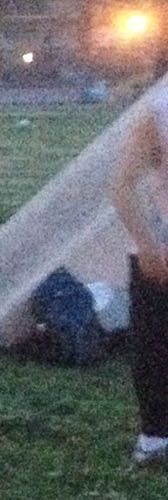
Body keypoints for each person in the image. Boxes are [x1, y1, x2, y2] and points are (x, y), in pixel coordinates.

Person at [110, 83, 168, 468]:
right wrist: (148, 245)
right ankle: (155, 439)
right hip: (162, 248)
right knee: (155, 346)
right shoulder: (160, 111)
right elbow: (122, 186)